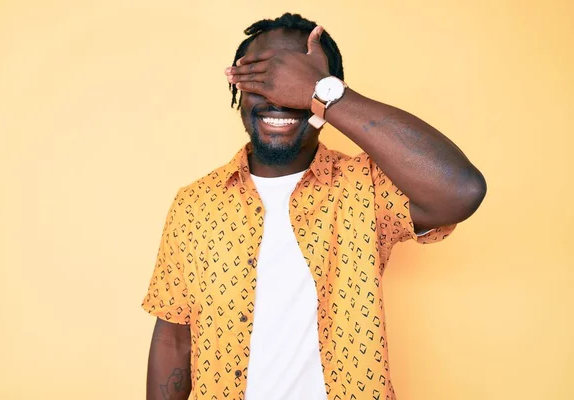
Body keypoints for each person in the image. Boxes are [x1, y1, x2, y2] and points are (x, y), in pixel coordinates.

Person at [142, 12, 486, 400]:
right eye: (263, 78)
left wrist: (324, 91)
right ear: (237, 88)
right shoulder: (194, 204)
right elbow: (173, 338)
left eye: (296, 83)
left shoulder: (366, 188)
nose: (280, 97)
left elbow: (461, 190)